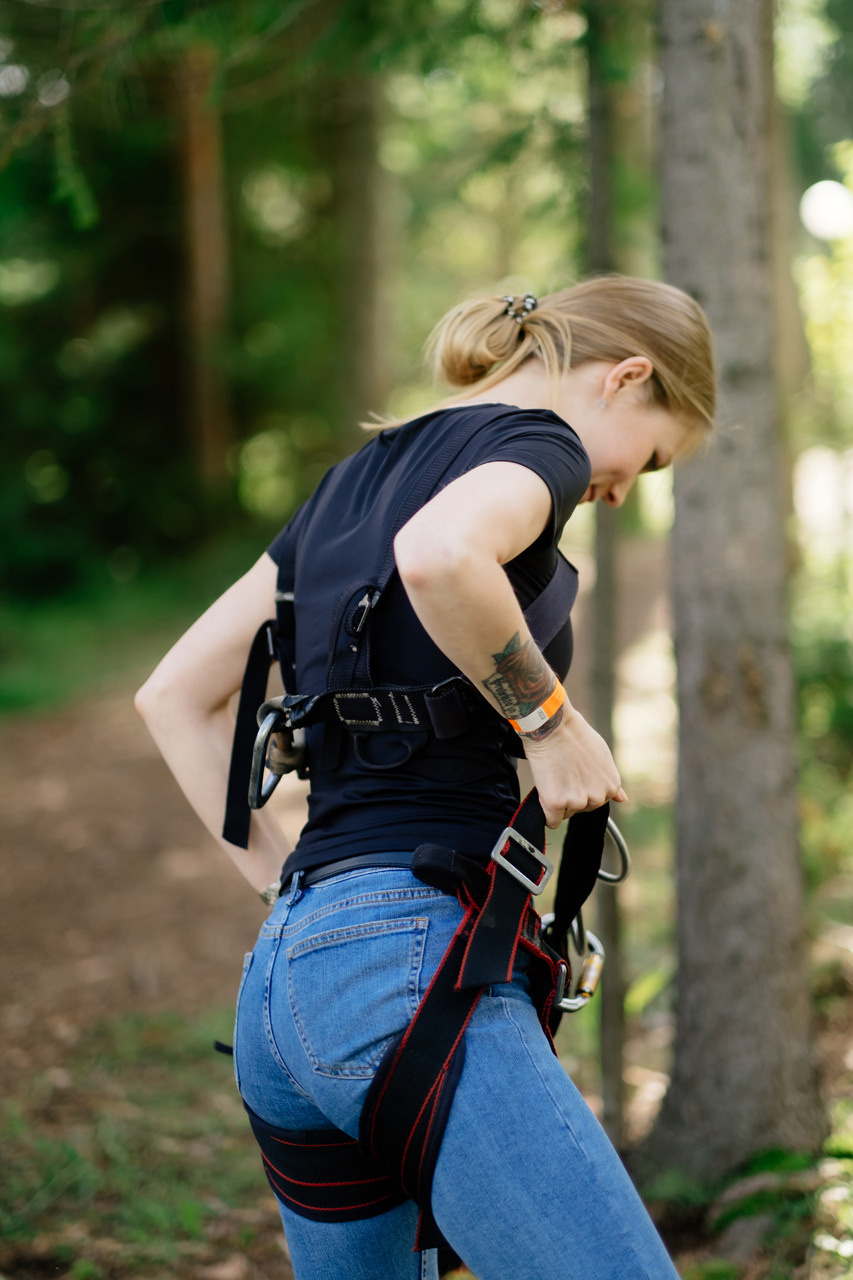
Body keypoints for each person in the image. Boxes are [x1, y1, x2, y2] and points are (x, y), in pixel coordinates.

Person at [136, 273, 715, 1280]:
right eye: (652, 459)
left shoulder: (344, 484)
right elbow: (442, 555)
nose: (619, 489)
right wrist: (547, 721)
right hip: (405, 970)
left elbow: (175, 696)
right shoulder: (543, 444)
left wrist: (287, 888)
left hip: (285, 983)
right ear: (625, 377)